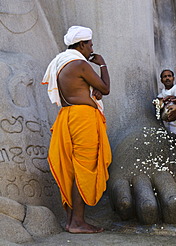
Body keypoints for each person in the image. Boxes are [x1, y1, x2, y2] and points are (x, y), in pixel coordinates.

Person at [41, 26, 111, 233]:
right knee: (84, 168)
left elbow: (85, 88)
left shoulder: (61, 62)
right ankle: (77, 222)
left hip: (68, 116)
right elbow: (106, 88)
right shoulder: (80, 64)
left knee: (74, 169)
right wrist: (102, 64)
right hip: (82, 117)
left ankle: (72, 220)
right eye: (90, 45)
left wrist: (92, 90)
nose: (91, 49)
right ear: (81, 44)